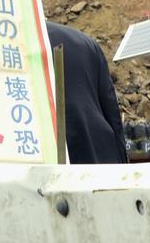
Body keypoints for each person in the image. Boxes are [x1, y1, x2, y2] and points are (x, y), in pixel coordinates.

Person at [46, 21, 127, 164]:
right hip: (98, 153)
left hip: (47, 162)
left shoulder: (9, 45)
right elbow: (111, 111)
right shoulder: (84, 41)